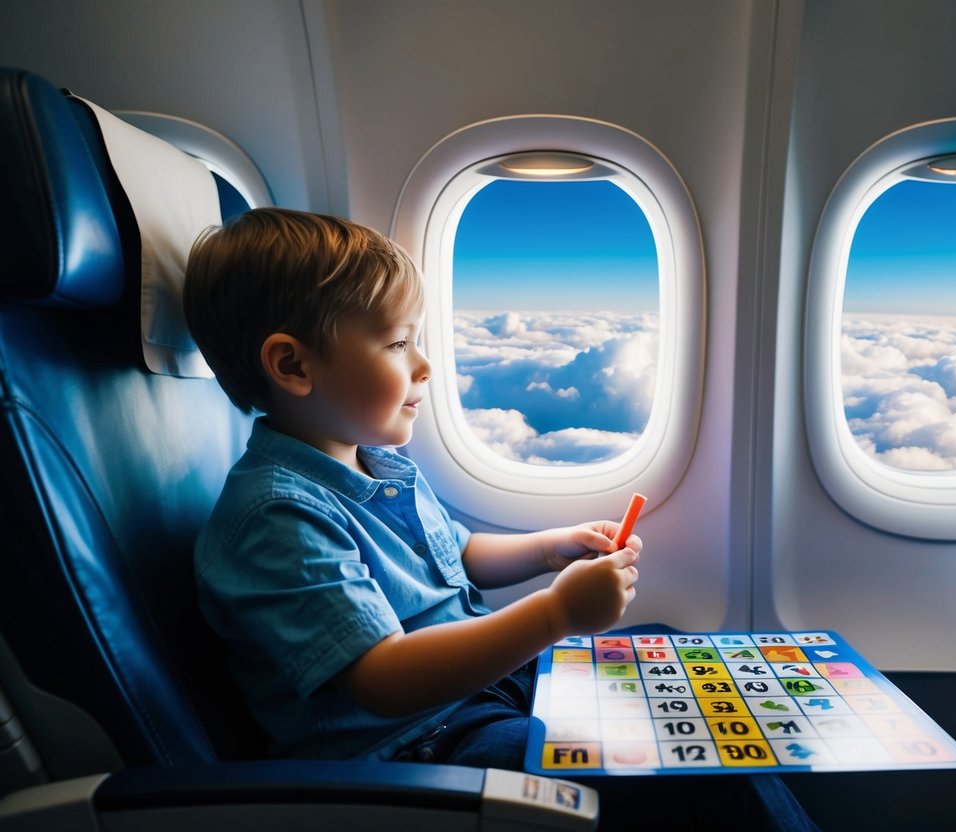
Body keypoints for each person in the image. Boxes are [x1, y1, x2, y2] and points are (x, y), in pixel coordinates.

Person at [184, 207, 818, 831]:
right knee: (700, 768)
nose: (424, 365)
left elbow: (452, 555)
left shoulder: (374, 462)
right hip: (415, 751)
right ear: (293, 366)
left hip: (479, 695)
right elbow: (381, 680)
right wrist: (556, 614)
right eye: (399, 343)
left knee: (682, 674)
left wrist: (548, 549)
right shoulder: (279, 517)